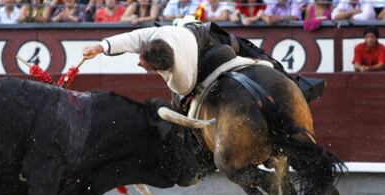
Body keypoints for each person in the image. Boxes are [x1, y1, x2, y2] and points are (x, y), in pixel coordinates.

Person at [82, 22, 324, 109]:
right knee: (260, 55)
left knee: (181, 105)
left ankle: (295, 84)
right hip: (212, 38)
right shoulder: (162, 34)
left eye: (145, 65)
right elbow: (132, 39)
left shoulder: (178, 73)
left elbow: (185, 87)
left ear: (161, 65)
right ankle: (296, 84)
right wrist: (99, 47)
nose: (139, 62)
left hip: (215, 44)